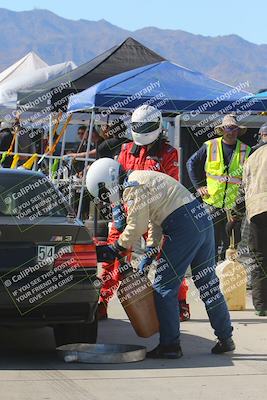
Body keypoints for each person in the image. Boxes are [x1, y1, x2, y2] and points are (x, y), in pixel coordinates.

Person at [86, 157, 235, 358]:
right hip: (201, 221)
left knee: (164, 288)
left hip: (183, 226)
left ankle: (170, 346)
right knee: (208, 284)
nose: (105, 199)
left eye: (104, 194)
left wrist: (116, 247)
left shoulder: (132, 186)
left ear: (108, 181)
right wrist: (151, 248)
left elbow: (136, 225)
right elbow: (156, 218)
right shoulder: (142, 179)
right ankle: (226, 338)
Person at [98, 105, 190, 322]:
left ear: (157, 126)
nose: (143, 130)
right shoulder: (125, 150)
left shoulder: (169, 153)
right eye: (140, 126)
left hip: (157, 215)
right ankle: (101, 302)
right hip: (128, 213)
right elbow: (115, 184)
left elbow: (171, 188)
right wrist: (117, 210)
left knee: (168, 258)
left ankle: (180, 303)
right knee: (114, 258)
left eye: (146, 126)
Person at [187, 114, 251, 261]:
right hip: (212, 202)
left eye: (235, 128)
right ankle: (211, 272)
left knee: (232, 243)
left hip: (234, 205)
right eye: (229, 128)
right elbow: (190, 163)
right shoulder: (210, 146)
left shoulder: (246, 150)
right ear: (222, 129)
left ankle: (229, 274)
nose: (232, 131)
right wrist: (198, 186)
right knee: (211, 241)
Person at [227, 123, 267, 316]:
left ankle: (261, 307)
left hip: (258, 211)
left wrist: (236, 214)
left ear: (261, 136)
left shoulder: (251, 158)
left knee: (259, 259)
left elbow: (243, 191)